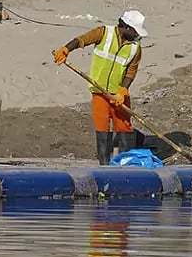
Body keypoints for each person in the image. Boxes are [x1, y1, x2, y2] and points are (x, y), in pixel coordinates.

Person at [54, 10, 148, 164]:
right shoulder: (104, 33)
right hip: (99, 92)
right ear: (127, 28)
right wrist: (66, 49)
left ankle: (126, 163)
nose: (137, 36)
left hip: (119, 94)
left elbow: (131, 71)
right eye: (136, 32)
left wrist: (123, 91)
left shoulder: (135, 48)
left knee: (124, 127)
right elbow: (82, 40)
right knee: (102, 127)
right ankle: (104, 165)